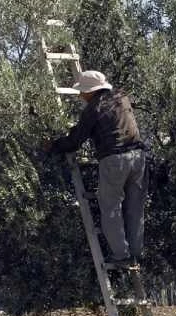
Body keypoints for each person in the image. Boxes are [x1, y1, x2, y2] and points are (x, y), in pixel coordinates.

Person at [46, 70, 146, 266]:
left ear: (92, 91)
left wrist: (53, 146)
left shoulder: (94, 108)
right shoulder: (122, 97)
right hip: (139, 158)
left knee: (110, 208)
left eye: (83, 92)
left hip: (114, 160)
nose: (81, 95)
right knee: (135, 208)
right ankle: (136, 253)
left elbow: (75, 141)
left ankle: (121, 255)